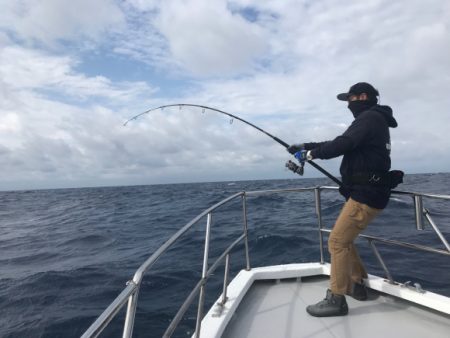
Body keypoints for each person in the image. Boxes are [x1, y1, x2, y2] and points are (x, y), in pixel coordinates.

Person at [288, 82, 399, 317]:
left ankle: (336, 299)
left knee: (337, 242)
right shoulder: (373, 119)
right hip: (367, 192)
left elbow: (343, 144)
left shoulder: (369, 118)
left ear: (362, 97)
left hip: (365, 195)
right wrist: (306, 146)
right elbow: (343, 141)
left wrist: (310, 154)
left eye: (350, 99)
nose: (348, 104)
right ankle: (357, 284)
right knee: (344, 241)